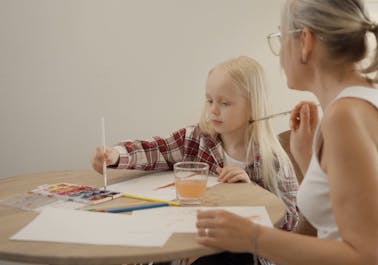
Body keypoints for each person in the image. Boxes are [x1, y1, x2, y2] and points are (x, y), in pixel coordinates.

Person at [195, 0, 378, 265]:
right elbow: (343, 213)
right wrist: (308, 158)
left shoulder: (347, 116)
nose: (281, 54)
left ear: (305, 41)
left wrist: (252, 236)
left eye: (281, 39)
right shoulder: (375, 101)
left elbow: (372, 257)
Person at [92, 56, 299, 265]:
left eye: (224, 103)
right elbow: (156, 149)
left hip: (243, 253)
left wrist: (252, 191)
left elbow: (291, 220)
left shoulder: (273, 159)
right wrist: (116, 155)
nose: (213, 110)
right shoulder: (195, 139)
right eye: (209, 100)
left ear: (254, 107)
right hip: (189, 242)